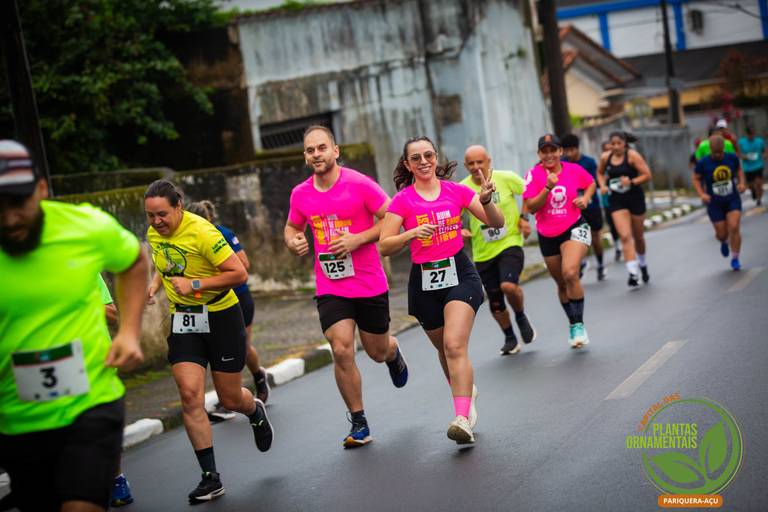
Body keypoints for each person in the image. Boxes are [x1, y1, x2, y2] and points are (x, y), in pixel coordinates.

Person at [0, 140, 148, 512]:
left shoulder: (84, 226)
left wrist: (129, 332)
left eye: (18, 203)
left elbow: (133, 260)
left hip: (90, 402)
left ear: (41, 189)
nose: (10, 218)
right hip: (16, 418)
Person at [144, 179, 273, 504]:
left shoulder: (203, 232)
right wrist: (154, 285)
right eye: (150, 215)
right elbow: (165, 261)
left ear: (178, 207)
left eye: (162, 214)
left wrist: (195, 284)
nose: (156, 221)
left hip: (221, 317)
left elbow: (239, 273)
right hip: (184, 320)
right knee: (190, 395)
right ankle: (210, 477)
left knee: (230, 398)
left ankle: (253, 409)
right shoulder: (155, 234)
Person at [284, 126, 408, 449]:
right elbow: (292, 226)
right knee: (340, 349)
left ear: (335, 151)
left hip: (368, 281)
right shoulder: (300, 194)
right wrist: (294, 241)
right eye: (310, 150)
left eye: (321, 148)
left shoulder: (359, 184)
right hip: (330, 285)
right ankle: (359, 421)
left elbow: (392, 218)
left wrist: (358, 239)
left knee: (376, 351)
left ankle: (392, 350)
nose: (316, 154)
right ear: (305, 156)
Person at [380, 136, 504, 445]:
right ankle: (465, 390)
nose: (424, 162)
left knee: (454, 345)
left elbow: (496, 223)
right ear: (408, 164)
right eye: (416, 158)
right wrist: (410, 233)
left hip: (460, 273)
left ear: (436, 157)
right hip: (424, 282)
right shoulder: (402, 201)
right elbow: (385, 245)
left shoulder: (457, 191)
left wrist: (486, 201)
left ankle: (462, 417)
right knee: (443, 349)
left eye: (428, 155)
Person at [186, 200, 270, 415]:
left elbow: (244, 265)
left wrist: (213, 274)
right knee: (214, 350)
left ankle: (258, 377)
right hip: (206, 302)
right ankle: (228, 398)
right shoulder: (183, 239)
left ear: (209, 219)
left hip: (238, 297)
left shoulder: (222, 234)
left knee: (241, 349)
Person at [459, 145, 536, 355]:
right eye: (471, 163)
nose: (476, 167)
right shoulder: (462, 188)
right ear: (465, 165)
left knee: (508, 286)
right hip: (483, 252)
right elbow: (453, 213)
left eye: (480, 162)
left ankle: (520, 315)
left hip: (510, 242)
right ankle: (510, 337)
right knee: (495, 301)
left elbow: (529, 191)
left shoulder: (505, 177)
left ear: (488, 161)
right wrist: (460, 228)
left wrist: (524, 218)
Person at [523, 134, 595, 349]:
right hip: (547, 234)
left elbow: (590, 183)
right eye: (544, 151)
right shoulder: (533, 175)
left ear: (560, 151)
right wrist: (547, 187)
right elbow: (531, 207)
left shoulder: (573, 169)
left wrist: (585, 198)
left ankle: (579, 324)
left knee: (570, 273)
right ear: (539, 154)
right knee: (562, 283)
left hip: (574, 226)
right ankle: (573, 323)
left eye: (553, 150)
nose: (549, 155)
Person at [96, 276, 134, 508]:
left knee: (103, 424)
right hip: (36, 363)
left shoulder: (83, 265)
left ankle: (116, 478)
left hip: (94, 360)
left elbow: (112, 314)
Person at [597, 131, 653, 287]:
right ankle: (633, 273)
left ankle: (643, 264)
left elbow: (647, 175)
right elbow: (599, 173)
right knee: (625, 236)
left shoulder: (632, 156)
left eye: (619, 143)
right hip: (617, 200)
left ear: (624, 143)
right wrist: (602, 186)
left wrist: (632, 182)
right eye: (613, 144)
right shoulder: (605, 157)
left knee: (638, 237)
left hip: (635, 198)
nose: (615, 147)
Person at [693, 136, 746, 270]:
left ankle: (735, 258)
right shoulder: (703, 163)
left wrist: (741, 183)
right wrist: (702, 194)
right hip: (714, 203)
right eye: (715, 153)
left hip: (732, 198)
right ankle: (723, 242)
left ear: (723, 149)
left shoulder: (731, 158)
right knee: (722, 234)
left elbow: (739, 170)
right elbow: (696, 179)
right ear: (710, 149)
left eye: (720, 152)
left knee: (734, 227)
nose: (718, 155)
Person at [562, 134, 606, 281]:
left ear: (577, 148)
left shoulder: (589, 162)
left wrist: (584, 194)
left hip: (591, 205)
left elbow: (594, 182)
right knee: (575, 237)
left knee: (595, 236)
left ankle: (600, 264)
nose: (569, 154)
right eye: (566, 151)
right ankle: (581, 263)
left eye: (572, 150)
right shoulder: (562, 163)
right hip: (571, 208)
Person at [600, 140, 622, 262]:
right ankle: (618, 247)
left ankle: (627, 242)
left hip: (621, 198)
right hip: (607, 199)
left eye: (610, 149)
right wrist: (603, 180)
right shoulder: (602, 165)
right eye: (606, 150)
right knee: (612, 223)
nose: (608, 152)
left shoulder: (619, 162)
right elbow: (597, 179)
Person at [738, 127, 765, 206]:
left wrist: (764, 155)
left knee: (759, 183)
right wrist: (743, 157)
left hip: (758, 165)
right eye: (750, 135)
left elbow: (764, 151)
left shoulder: (759, 141)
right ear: (747, 134)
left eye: (753, 134)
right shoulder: (741, 142)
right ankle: (753, 191)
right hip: (748, 167)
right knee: (750, 185)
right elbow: (738, 153)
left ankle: (759, 199)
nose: (751, 136)